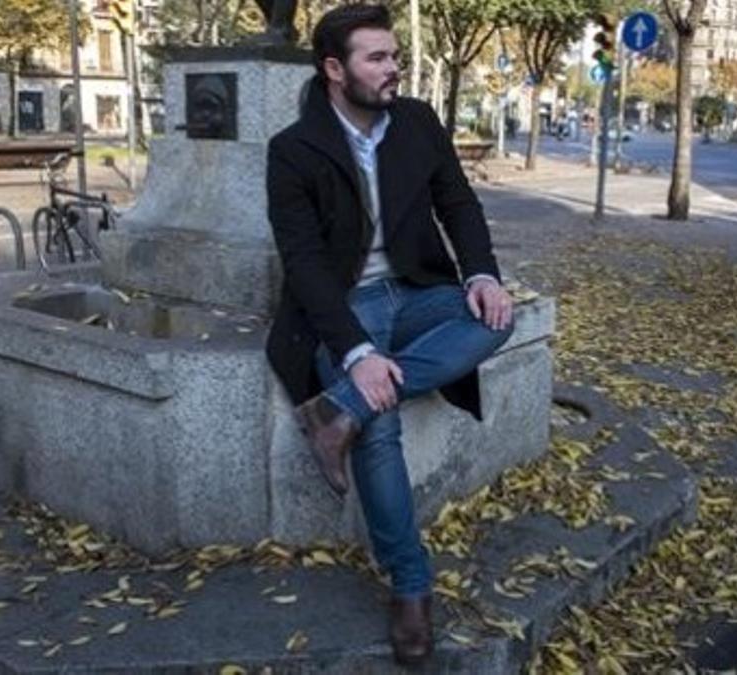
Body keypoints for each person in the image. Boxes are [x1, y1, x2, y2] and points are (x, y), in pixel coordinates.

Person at [264, 2, 514, 665]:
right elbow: (306, 264)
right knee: (381, 422)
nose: (393, 68)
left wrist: (483, 274)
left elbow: (457, 202)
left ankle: (335, 411)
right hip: (347, 304)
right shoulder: (292, 151)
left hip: (421, 290)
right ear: (334, 70)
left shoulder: (417, 122)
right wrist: (359, 352)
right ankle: (411, 586)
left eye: (395, 55)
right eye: (377, 58)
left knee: (495, 316)